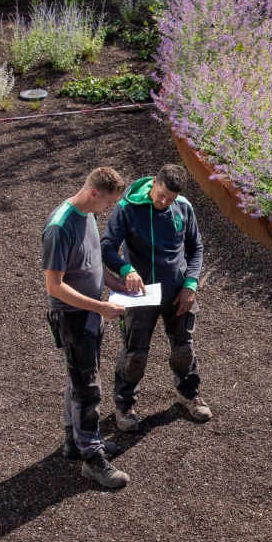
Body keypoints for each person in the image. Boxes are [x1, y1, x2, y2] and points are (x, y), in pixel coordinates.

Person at [101, 163, 209, 432]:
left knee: (184, 347)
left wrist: (191, 283)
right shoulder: (127, 208)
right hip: (141, 294)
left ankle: (188, 394)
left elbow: (195, 248)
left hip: (177, 292)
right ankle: (124, 404)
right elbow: (106, 247)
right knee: (135, 353)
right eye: (161, 194)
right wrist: (126, 269)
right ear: (153, 182)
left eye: (170, 199)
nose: (163, 202)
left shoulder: (183, 207)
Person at [43, 167, 130, 488]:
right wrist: (101, 307)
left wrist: (118, 284)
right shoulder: (60, 227)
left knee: (77, 378)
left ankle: (73, 441)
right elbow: (55, 286)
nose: (108, 209)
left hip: (90, 314)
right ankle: (91, 458)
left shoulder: (88, 216)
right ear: (94, 193)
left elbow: (93, 265)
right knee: (87, 387)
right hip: (73, 317)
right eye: (108, 202)